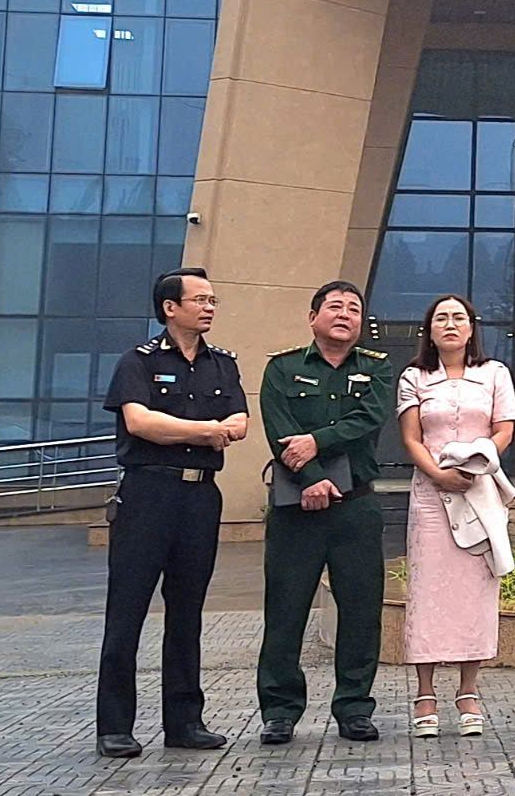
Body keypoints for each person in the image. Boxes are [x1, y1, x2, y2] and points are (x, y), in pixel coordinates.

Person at [96, 267, 248, 760]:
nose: (208, 307)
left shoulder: (222, 364)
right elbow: (140, 423)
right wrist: (205, 431)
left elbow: (240, 423)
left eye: (212, 300)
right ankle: (115, 726)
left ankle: (184, 720)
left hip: (200, 497)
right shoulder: (136, 362)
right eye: (200, 300)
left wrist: (196, 429)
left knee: (187, 614)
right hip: (147, 495)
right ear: (170, 308)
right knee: (128, 612)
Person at [255, 280, 395, 747]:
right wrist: (312, 475)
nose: (345, 314)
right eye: (334, 307)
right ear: (313, 317)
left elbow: (368, 421)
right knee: (285, 610)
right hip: (296, 508)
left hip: (356, 508)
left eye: (354, 309)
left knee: (360, 611)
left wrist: (316, 441)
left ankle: (354, 707)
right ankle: (279, 710)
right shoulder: (283, 368)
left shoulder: (376, 368)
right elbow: (279, 429)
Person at [397, 293, 515, 738]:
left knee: (475, 593)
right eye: (441, 318)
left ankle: (468, 689)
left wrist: (478, 459)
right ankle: (424, 692)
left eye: (459, 318)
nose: (450, 324)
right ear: (429, 329)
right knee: (428, 592)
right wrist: (437, 474)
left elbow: (503, 429)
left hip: (478, 490)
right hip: (431, 496)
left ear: (472, 327)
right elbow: (411, 437)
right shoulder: (415, 376)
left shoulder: (494, 373)